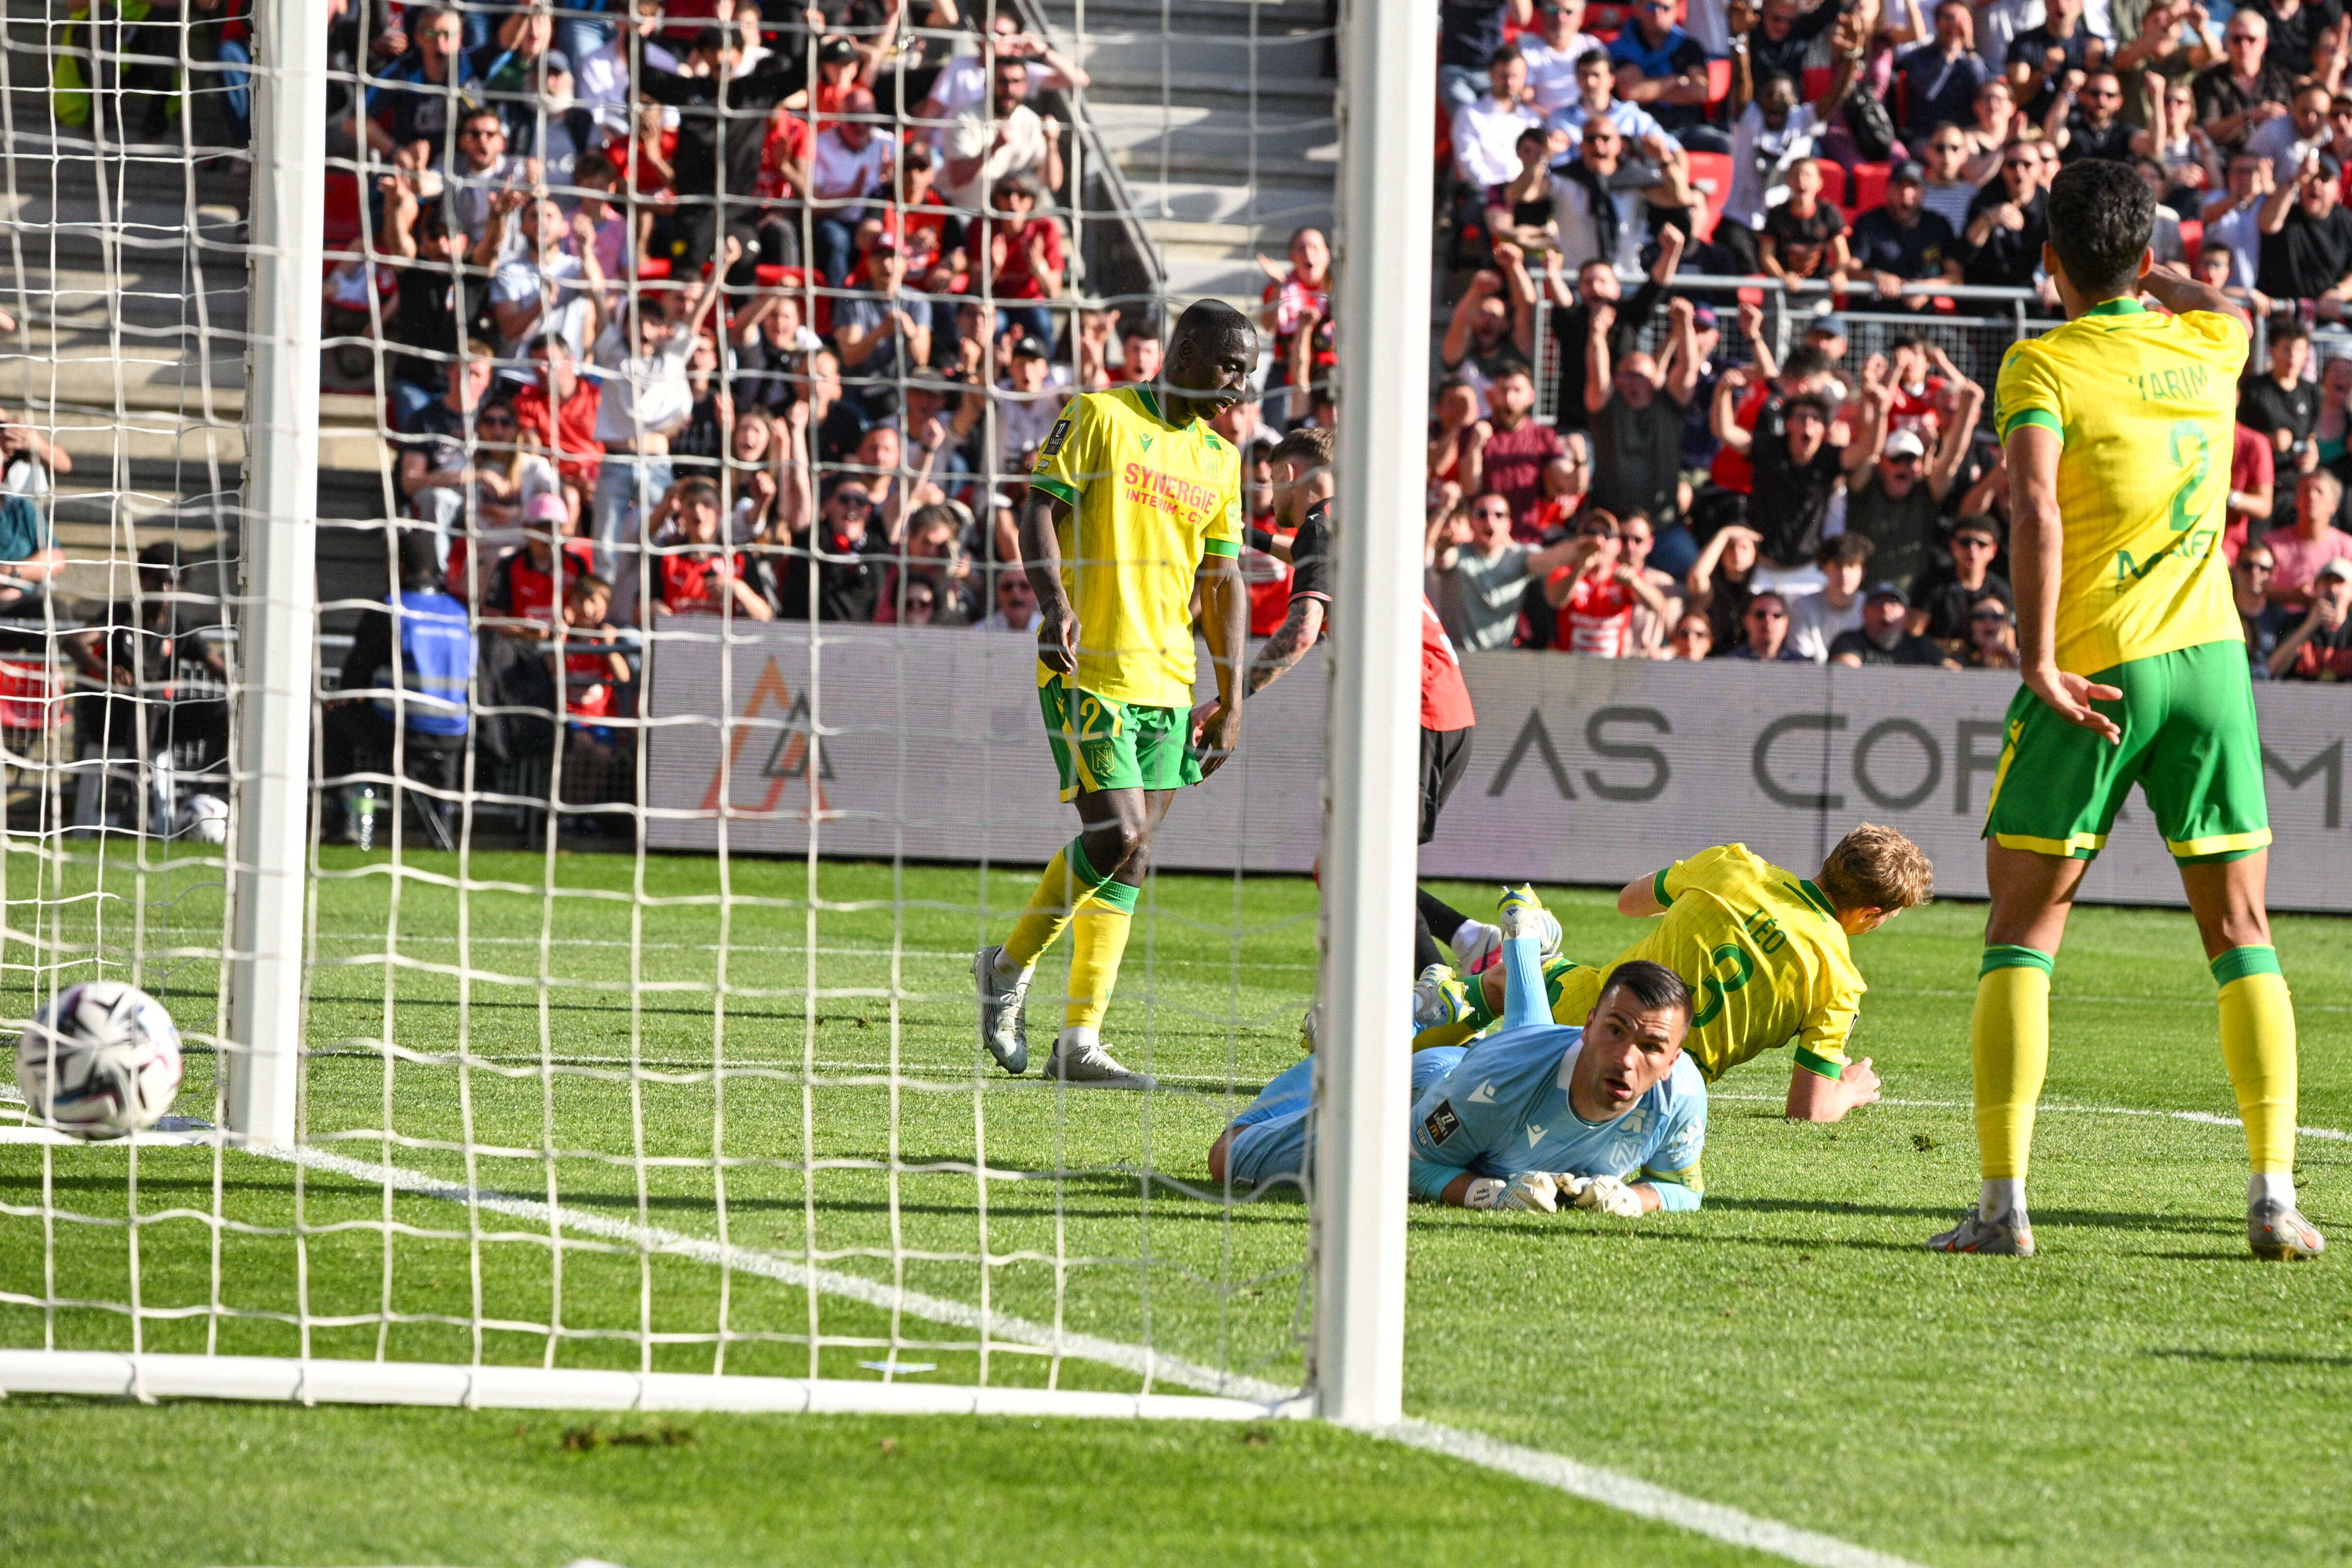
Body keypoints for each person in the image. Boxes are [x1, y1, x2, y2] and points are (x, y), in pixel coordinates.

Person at [1932, 158, 2323, 1262]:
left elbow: (2035, 511)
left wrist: (2036, 655)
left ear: (2046, 260)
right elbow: (2229, 305)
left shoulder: (2038, 362)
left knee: (2022, 929)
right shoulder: (2208, 345)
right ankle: (2271, 1193)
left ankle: (2003, 1204)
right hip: (2208, 663)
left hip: (2095, 665)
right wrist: (2164, 277)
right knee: (2242, 931)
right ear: (2147, 260)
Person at [972, 301, 1258, 1089]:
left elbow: (1223, 578)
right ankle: (1005, 968)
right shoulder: (1098, 416)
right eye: (1232, 367)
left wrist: (1231, 699)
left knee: (1132, 859)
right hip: (1087, 667)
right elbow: (1038, 508)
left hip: (1168, 677)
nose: (1242, 386)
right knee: (1118, 836)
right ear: (1188, 350)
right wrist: (1054, 603)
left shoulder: (1218, 459)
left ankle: (1078, 1039)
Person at [1415, 826, 1935, 1121]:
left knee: (1505, 980)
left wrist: (1702, 911)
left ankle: (1422, 1039)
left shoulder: (1733, 865)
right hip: (1660, 1092)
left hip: (1588, 1019)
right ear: (1869, 914)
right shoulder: (1839, 981)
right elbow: (1808, 1111)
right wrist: (1848, 1089)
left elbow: (1629, 902)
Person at [1228, 427, 1492, 981]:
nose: (1269, 498)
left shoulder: (1324, 526)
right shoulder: (1359, 521)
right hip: (1442, 708)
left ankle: (1437, 984)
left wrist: (1231, 697)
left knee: (1367, 866)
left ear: (1289, 475)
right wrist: (1240, 532)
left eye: (1270, 485)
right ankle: (1468, 941)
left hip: (1412, 711)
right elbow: (1305, 553)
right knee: (1345, 865)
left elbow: (1301, 632)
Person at [1214, 928, 1705, 1219]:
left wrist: (1631, 1199)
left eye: (1649, 1046)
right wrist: (1483, 1193)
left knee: (1515, 1049)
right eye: (1615, 1031)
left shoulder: (1681, 1094)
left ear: (1672, 1060)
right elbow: (1401, 1162)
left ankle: (1506, 947)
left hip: (1483, 1079)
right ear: (1588, 1026)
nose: (1625, 1057)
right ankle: (1371, 1031)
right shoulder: (1503, 1078)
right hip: (1415, 1098)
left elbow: (1683, 1189)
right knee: (1228, 1156)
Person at [320, 529, 476, 844]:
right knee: (443, 752)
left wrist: (344, 698)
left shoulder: (391, 607)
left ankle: (344, 821)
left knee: (332, 722)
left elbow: (357, 672)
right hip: (455, 732)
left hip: (400, 728)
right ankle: (444, 828)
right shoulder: (460, 613)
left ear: (398, 567)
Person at [1585, 296, 1701, 527]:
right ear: (1616, 380)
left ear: (1656, 380)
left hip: (1663, 525)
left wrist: (1684, 324)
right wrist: (1597, 335)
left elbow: (1688, 368)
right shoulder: (1606, 407)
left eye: (1641, 376)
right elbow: (1597, 375)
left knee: (1686, 560)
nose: (1634, 382)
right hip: (1611, 525)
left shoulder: (1669, 405)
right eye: (1627, 375)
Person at [1427, 491, 1587, 650]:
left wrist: (1581, 548)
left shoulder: (1520, 557)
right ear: (1471, 522)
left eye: (1499, 515)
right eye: (1481, 514)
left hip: (1502, 662)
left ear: (1509, 524)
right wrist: (1442, 536)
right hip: (1457, 659)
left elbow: (1550, 558)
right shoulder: (1458, 554)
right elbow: (1441, 557)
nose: (1490, 520)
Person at [1543, 509, 1674, 656]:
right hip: (1568, 667)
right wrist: (1581, 568)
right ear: (1579, 539)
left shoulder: (1623, 575)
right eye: (1591, 533)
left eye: (1607, 535)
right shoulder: (1566, 571)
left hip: (1610, 669)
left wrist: (1636, 583)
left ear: (1618, 544)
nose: (1598, 541)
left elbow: (1658, 605)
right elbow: (1555, 601)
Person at [2255, 151, 2352, 314]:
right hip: (2280, 321)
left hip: (2326, 325)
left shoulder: (2346, 221)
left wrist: (2340, 293)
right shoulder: (2286, 212)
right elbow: (2267, 224)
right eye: (2311, 178)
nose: (2315, 184)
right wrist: (2295, 180)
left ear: (2338, 189)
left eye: (2324, 178)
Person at [1898, 1, 1999, 140]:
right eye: (1949, 18)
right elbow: (1927, 92)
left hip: (1967, 136)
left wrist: (1969, 48)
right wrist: (1949, 55)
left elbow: (1981, 90)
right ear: (1937, 23)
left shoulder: (1972, 60)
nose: (1956, 24)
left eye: (1963, 19)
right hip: (1927, 136)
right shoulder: (1919, 57)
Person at [2261, 466, 2352, 607]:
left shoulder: (2347, 547)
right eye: (2306, 491)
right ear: (2296, 501)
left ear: (2334, 505)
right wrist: (2293, 595)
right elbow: (2257, 588)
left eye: (2319, 492)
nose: (2312, 496)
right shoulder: (2271, 544)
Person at [1786, 534, 1873, 661]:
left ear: (1863, 572)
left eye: (1851, 566)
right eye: (1838, 566)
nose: (1844, 574)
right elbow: (1800, 656)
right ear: (1824, 568)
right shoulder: (1803, 606)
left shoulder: (1872, 607)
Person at [1830, 581, 1957, 665]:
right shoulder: (1849, 642)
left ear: (1906, 614)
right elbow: (1846, 676)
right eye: (1877, 604)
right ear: (1864, 613)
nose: (1886, 609)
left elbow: (1952, 673)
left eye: (1894, 603)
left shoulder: (1921, 645)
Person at [2266, 554, 2352, 676]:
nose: (2332, 589)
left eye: (2339, 582)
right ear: (2316, 587)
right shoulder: (2294, 623)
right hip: (2297, 694)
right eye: (2327, 582)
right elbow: (2273, 670)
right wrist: (2309, 625)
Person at [2230, 540, 2295, 676]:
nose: (2255, 572)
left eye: (2264, 568)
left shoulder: (2283, 619)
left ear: (2274, 574)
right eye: (2247, 566)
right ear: (2235, 571)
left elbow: (2275, 671)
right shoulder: (2220, 613)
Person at [1965, 594, 2022, 667]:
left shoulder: (2024, 660)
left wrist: (2010, 657)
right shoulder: (1956, 660)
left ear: (2006, 626)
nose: (1989, 622)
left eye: (1997, 617)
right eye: (1980, 617)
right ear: (1970, 626)